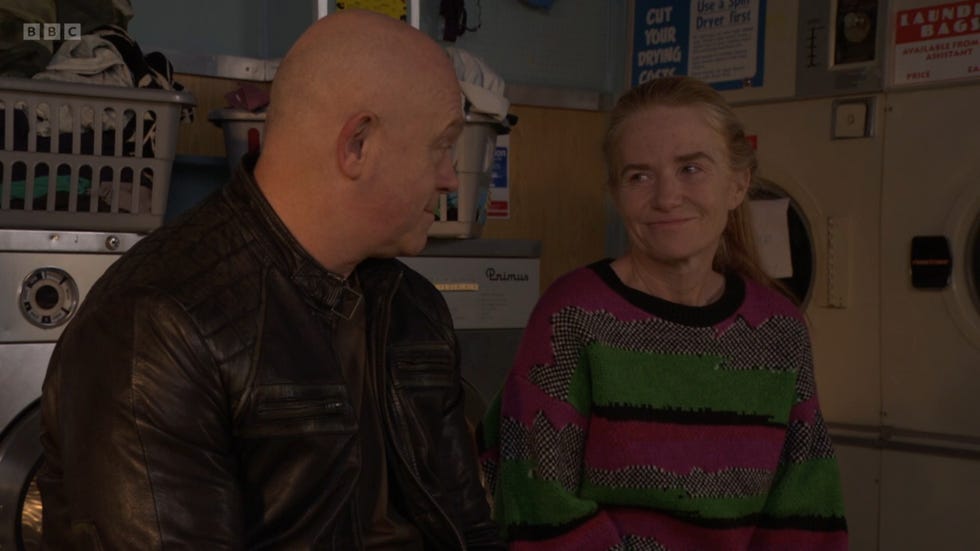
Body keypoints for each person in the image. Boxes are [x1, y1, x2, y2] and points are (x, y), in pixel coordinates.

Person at [38, 9, 503, 550]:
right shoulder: (155, 325)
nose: (452, 177)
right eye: (442, 145)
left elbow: (471, 530)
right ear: (358, 145)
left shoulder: (415, 307)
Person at [479, 76, 848, 549]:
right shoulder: (572, 314)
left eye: (691, 168)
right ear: (616, 194)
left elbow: (805, 512)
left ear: (738, 183)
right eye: (639, 176)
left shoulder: (778, 329)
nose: (667, 197)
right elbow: (539, 506)